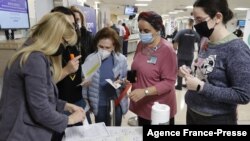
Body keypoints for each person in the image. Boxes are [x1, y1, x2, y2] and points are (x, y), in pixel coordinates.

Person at [0, 12, 85, 141]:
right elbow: (40, 109)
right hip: (23, 134)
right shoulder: (34, 59)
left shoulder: (32, 53)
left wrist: (66, 106)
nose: (64, 48)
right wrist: (70, 119)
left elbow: (41, 95)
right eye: (64, 42)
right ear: (54, 36)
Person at [179, 0, 250, 125]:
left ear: (217, 17)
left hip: (216, 119)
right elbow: (204, 71)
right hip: (193, 111)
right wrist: (190, 72)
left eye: (199, 20)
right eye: (194, 20)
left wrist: (201, 87)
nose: (196, 25)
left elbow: (243, 95)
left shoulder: (237, 49)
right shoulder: (205, 40)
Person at [129, 11, 177, 125]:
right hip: (141, 104)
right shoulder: (141, 45)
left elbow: (169, 82)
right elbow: (135, 66)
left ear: (158, 30)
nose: (142, 34)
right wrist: (129, 79)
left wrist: (145, 92)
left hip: (159, 108)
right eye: (140, 30)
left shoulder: (167, 50)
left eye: (146, 31)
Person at [82, 27, 128, 126]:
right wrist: (86, 102)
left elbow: (125, 80)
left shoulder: (121, 60)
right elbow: (85, 85)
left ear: (113, 46)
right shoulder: (90, 59)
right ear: (96, 44)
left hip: (116, 102)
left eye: (107, 47)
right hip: (99, 103)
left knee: (115, 130)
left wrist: (122, 82)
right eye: (101, 46)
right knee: (102, 129)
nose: (103, 50)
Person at [173, 18, 200, 90]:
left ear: (187, 23)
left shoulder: (181, 32)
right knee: (188, 69)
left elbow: (175, 43)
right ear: (192, 24)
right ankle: (188, 84)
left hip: (181, 55)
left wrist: (175, 49)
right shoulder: (195, 33)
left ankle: (179, 85)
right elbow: (199, 43)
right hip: (190, 55)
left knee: (180, 70)